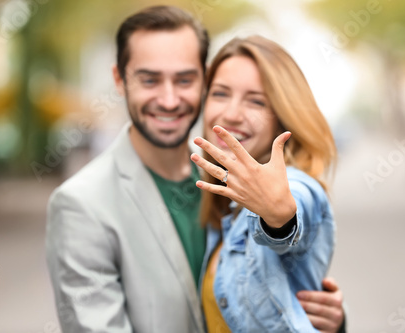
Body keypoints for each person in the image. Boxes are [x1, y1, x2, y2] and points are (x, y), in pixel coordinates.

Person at [45, 6, 345, 333]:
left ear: (202, 80)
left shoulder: (228, 180)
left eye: (184, 79)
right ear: (119, 80)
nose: (170, 100)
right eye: (149, 80)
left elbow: (292, 210)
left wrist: (329, 321)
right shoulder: (81, 204)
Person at [190, 35, 338, 332]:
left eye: (256, 100)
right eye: (220, 94)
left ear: (283, 116)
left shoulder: (297, 184)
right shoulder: (219, 201)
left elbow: (292, 208)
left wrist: (278, 215)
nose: (231, 114)